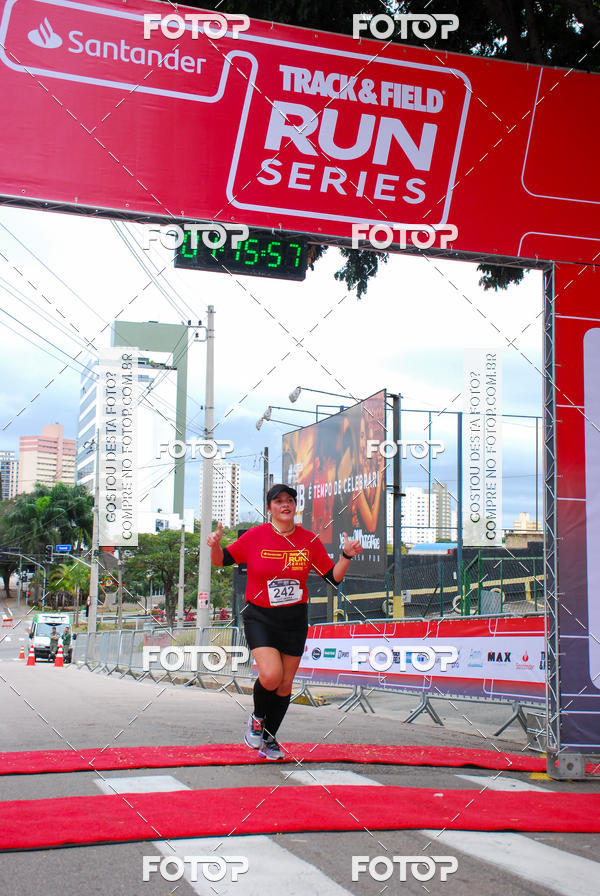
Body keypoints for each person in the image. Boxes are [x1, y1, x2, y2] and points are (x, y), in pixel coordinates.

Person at [207, 483, 362, 760]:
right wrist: (215, 545)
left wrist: (347, 556)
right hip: (260, 616)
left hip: (293, 620)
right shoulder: (256, 537)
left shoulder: (308, 540)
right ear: (269, 509)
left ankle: (269, 739)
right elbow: (222, 561)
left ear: (295, 506)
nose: (285, 505)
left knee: (285, 684)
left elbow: (332, 577)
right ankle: (256, 719)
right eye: (278, 501)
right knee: (270, 675)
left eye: (289, 500)